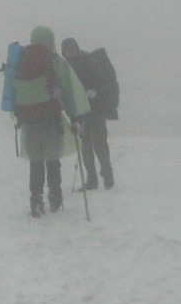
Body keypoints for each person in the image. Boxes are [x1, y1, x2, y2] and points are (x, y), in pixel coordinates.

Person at [9, 25, 89, 216]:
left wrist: (19, 116)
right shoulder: (55, 61)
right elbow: (69, 90)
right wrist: (76, 117)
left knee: (35, 162)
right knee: (53, 160)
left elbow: (13, 93)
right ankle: (55, 197)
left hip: (29, 121)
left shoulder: (19, 61)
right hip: (52, 120)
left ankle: (36, 201)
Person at [60, 38, 119, 189]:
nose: (71, 51)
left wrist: (96, 93)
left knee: (99, 143)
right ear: (64, 52)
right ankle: (92, 179)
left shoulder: (88, 61)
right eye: (67, 49)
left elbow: (104, 82)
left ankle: (107, 176)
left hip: (96, 109)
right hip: (81, 112)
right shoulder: (66, 68)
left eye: (72, 48)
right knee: (85, 145)